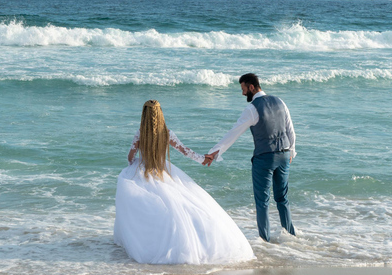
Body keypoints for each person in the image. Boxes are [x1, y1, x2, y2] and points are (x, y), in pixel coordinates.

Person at [113, 100, 255, 264]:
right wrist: (203, 159)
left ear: (144, 115)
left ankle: (142, 239)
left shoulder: (139, 134)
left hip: (143, 171)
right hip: (162, 172)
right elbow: (185, 151)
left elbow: (130, 158)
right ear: (160, 114)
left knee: (136, 198)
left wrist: (136, 162)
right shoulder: (167, 133)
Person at [203, 73, 296, 242]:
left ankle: (265, 241)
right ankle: (291, 236)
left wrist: (214, 152)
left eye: (244, 89)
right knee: (282, 198)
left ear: (251, 87)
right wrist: (292, 151)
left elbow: (234, 132)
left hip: (264, 158)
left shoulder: (252, 109)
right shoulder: (280, 102)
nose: (243, 93)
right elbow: (290, 130)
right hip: (284, 154)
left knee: (263, 202)